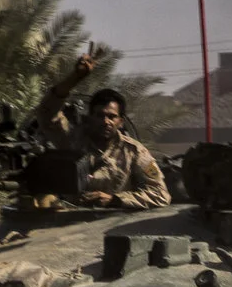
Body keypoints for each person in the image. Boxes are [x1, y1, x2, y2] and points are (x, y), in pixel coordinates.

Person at [28, 51, 168, 209]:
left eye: (112, 116)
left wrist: (115, 200)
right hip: (68, 222)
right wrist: (75, 77)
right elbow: (47, 113)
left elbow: (161, 194)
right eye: (99, 115)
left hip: (110, 223)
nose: (105, 121)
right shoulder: (72, 138)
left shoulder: (134, 152)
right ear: (89, 117)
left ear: (120, 122)